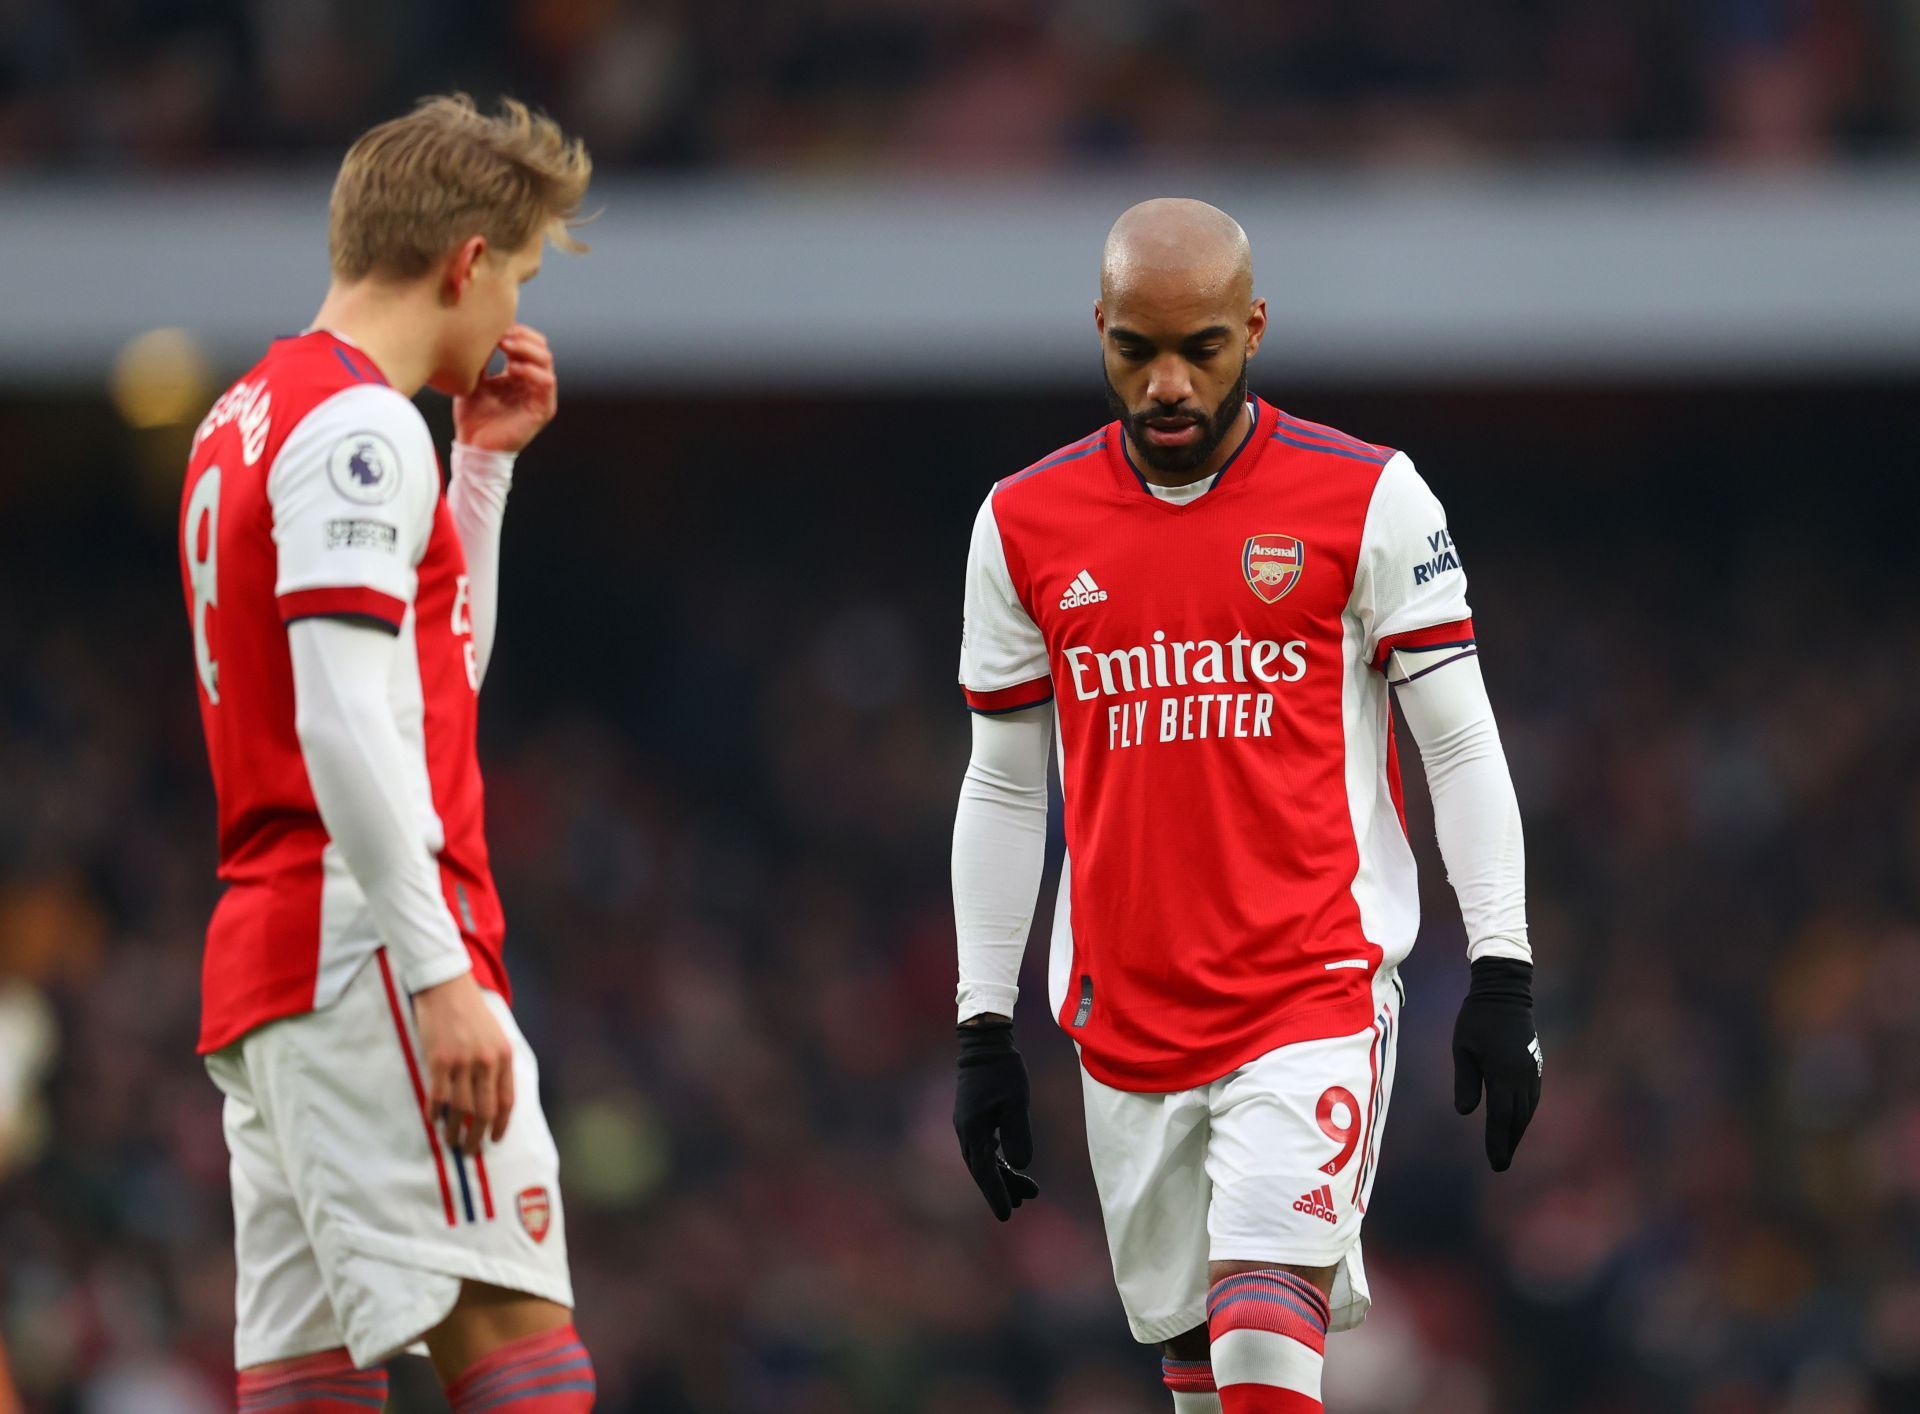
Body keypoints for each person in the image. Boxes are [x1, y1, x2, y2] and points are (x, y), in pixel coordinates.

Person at [950, 198, 1543, 1413]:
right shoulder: (1021, 523)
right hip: (1123, 1011)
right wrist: (979, 1027)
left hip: (1307, 987)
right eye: (1136, 350)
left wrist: (1503, 967)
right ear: (1100, 330)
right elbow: (1004, 781)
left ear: (1256, 328)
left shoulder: (1371, 498)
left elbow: (1463, 741)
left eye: (1203, 348)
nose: (1167, 383)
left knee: (1263, 1327)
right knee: (1199, 1372)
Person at [178, 95, 597, 1411]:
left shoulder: (244, 414)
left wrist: (481, 473)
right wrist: (438, 976)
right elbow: (348, 721)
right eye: (520, 275)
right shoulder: (361, 430)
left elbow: (420, 684)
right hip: (365, 941)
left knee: (308, 1386)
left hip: (274, 962)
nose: (516, 311)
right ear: (466, 261)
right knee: (528, 1365)